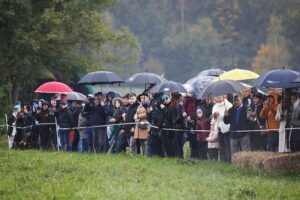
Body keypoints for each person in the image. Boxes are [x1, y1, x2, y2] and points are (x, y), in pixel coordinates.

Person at [211, 95, 232, 163]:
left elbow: (229, 116)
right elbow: (214, 120)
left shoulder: (228, 104)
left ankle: (229, 161)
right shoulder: (215, 106)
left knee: (228, 146)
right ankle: (223, 161)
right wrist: (214, 116)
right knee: (222, 146)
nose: (218, 99)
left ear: (223, 97)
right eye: (217, 97)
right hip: (219, 128)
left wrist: (220, 115)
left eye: (219, 97)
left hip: (227, 128)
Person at [183, 90, 197, 158]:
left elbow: (195, 109)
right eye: (189, 93)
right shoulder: (186, 100)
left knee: (194, 137)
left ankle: (194, 153)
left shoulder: (195, 100)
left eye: (191, 93)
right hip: (188, 119)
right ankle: (190, 153)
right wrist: (186, 117)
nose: (190, 94)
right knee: (189, 137)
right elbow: (184, 109)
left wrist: (193, 117)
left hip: (194, 118)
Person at [171, 92, 185, 158]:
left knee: (178, 142)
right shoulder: (177, 104)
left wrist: (174, 121)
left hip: (179, 126)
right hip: (178, 125)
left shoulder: (178, 105)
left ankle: (180, 155)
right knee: (177, 142)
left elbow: (180, 115)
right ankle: (179, 155)